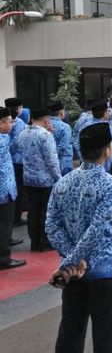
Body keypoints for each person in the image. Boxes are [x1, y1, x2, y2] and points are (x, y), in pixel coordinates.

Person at [46, 122, 112, 353]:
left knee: (71, 330)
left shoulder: (63, 183)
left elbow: (51, 226)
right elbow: (98, 228)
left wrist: (69, 263)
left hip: (73, 274)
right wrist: (75, 260)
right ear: (107, 150)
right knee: (107, 337)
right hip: (103, 269)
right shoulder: (110, 184)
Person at [15, 108, 61, 252]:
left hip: (28, 178)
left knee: (33, 210)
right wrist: (59, 178)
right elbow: (52, 161)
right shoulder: (46, 135)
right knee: (45, 211)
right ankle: (44, 241)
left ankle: (34, 242)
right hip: (45, 179)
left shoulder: (23, 133)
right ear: (46, 120)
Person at [0, 107, 26, 270]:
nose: (12, 124)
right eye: (10, 121)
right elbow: (18, 142)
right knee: (4, 227)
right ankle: (4, 259)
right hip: (4, 191)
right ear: (1, 124)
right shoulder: (3, 140)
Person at [5, 97, 28, 227]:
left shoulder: (8, 119)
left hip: (12, 160)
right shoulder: (18, 122)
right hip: (18, 160)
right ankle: (16, 218)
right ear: (19, 108)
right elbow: (17, 142)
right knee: (18, 189)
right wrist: (8, 150)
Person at [48, 102, 74, 175]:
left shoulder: (46, 124)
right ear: (61, 113)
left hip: (49, 163)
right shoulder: (65, 127)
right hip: (64, 163)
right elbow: (63, 147)